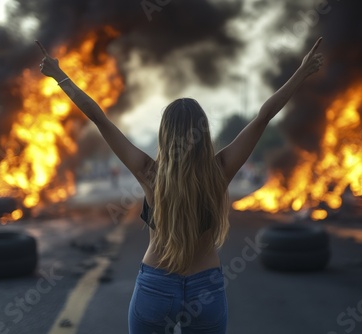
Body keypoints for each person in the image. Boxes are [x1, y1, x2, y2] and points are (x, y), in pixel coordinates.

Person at [37, 37, 324, 333]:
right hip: (206, 289)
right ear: (204, 134)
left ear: (165, 134)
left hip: (156, 287)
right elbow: (264, 117)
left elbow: (98, 118)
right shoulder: (221, 170)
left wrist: (59, 75)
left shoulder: (149, 173)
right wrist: (302, 72)